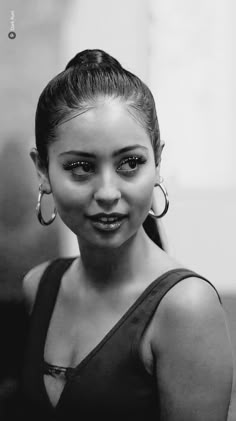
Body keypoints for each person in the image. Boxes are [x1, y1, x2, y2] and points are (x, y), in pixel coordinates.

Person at [19, 49, 233, 420]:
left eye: (130, 163)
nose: (107, 192)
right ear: (43, 170)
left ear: (157, 162)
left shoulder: (186, 308)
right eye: (81, 167)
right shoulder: (39, 286)